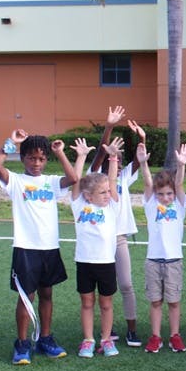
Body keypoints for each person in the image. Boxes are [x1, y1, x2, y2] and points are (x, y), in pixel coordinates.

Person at [0, 129, 78, 365]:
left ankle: (45, 339)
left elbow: (73, 179)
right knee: (26, 296)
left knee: (47, 293)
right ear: (22, 159)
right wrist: (11, 142)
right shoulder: (17, 181)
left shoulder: (50, 182)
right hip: (25, 248)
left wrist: (60, 153)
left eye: (41, 159)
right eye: (31, 158)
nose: (36, 163)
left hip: (49, 247)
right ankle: (22, 344)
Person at [89, 106, 145, 348]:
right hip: (98, 241)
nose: (118, 164)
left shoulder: (123, 178)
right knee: (103, 289)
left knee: (126, 284)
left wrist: (141, 138)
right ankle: (105, 331)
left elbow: (139, 157)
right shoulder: (95, 179)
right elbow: (101, 155)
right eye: (114, 159)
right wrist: (109, 126)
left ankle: (132, 329)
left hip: (118, 239)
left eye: (120, 160)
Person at [69, 136, 125, 358]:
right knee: (87, 302)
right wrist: (81, 156)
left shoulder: (111, 207)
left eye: (108, 192)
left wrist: (112, 158)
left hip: (105, 262)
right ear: (87, 195)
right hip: (84, 262)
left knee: (106, 302)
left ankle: (106, 338)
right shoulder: (79, 205)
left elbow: (112, 181)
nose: (107, 195)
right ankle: (88, 339)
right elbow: (75, 181)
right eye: (102, 193)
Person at [138, 141, 186, 353]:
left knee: (174, 301)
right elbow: (148, 183)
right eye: (161, 194)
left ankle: (174, 335)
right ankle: (156, 336)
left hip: (174, 261)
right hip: (153, 261)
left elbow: (178, 185)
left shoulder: (179, 205)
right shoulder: (152, 205)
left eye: (168, 194)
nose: (165, 197)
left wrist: (182, 166)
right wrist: (143, 164)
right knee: (155, 301)